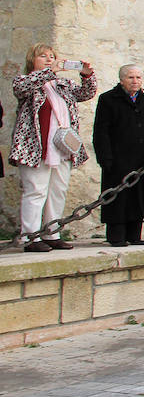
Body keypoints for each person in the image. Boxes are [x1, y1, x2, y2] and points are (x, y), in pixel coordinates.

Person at [10, 44, 97, 251]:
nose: (49, 59)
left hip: (62, 147)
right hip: (36, 148)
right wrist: (50, 72)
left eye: (52, 56)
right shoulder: (24, 81)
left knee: (57, 190)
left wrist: (87, 76)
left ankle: (52, 233)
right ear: (32, 60)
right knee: (36, 191)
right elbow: (22, 89)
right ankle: (30, 237)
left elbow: (86, 93)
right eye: (43, 56)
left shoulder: (62, 84)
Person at [92, 64, 144, 246]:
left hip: (141, 156)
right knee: (118, 196)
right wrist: (105, 157)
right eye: (131, 78)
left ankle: (134, 235)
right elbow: (101, 131)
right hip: (117, 156)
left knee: (138, 195)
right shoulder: (108, 99)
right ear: (122, 80)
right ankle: (116, 236)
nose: (135, 81)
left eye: (138, 78)